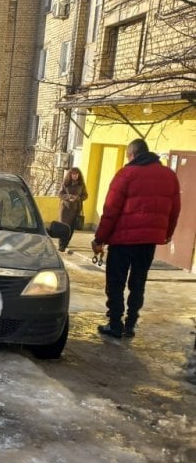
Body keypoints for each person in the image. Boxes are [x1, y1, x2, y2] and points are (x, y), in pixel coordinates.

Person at [92, 138, 181, 339]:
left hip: (122, 241)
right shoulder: (169, 175)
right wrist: (167, 234)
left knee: (115, 282)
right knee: (138, 282)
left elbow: (110, 210)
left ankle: (115, 324)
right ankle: (130, 324)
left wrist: (100, 239)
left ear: (132, 155)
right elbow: (175, 210)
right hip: (148, 242)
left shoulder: (126, 174)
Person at [57, 167, 88, 252]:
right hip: (65, 209)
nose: (75, 176)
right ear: (70, 175)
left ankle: (66, 243)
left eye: (76, 174)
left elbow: (85, 195)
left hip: (76, 209)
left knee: (71, 228)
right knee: (64, 227)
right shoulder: (65, 183)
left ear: (79, 175)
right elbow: (60, 194)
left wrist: (77, 198)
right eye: (73, 174)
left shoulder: (81, 184)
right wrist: (68, 197)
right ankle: (61, 245)